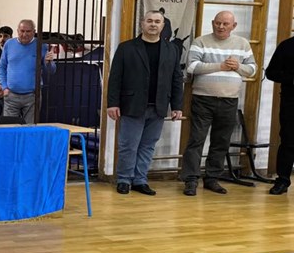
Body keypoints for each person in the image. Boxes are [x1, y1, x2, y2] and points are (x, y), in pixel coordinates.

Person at [106, 10, 184, 196]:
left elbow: (176, 79)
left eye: (157, 21)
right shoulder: (126, 48)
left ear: (163, 26)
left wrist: (177, 106)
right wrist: (112, 103)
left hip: (158, 106)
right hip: (132, 105)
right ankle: (124, 179)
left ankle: (140, 180)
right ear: (142, 23)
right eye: (149, 21)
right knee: (128, 145)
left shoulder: (171, 49)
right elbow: (115, 77)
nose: (153, 24)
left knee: (148, 146)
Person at [180, 11, 256, 196]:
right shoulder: (201, 41)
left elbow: (252, 69)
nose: (221, 27)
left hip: (229, 100)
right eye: (217, 23)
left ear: (233, 26)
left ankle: (212, 178)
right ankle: (191, 180)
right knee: (196, 140)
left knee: (221, 141)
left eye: (225, 24)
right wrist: (220, 66)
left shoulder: (243, 44)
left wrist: (238, 66)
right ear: (213, 23)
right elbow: (192, 66)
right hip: (203, 99)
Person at [0, 19, 56, 124]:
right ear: (17, 31)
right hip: (11, 95)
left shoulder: (41, 46)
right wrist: (4, 87)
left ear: (34, 32)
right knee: (9, 128)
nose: (24, 34)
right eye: (22, 31)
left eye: (28, 31)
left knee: (30, 128)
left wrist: (49, 63)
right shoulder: (9, 44)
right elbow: (1, 67)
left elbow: (51, 71)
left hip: (32, 96)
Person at [266, 34, 294, 195]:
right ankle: (283, 180)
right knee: (288, 141)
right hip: (291, 102)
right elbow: (271, 72)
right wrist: (291, 79)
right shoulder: (287, 45)